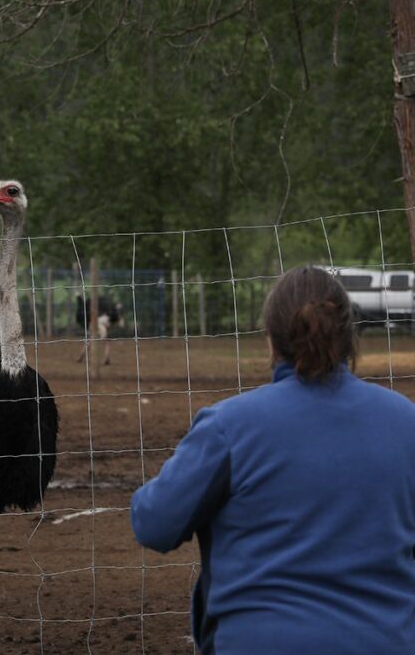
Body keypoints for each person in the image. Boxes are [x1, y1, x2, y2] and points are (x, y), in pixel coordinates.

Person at [131, 265, 415, 655]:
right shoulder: (405, 421)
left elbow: (153, 523)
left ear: (270, 340)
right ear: (350, 336)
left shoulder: (229, 427)